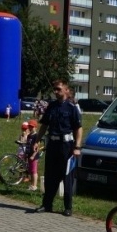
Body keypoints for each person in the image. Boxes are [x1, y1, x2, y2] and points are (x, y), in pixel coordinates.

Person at [34, 80, 82, 216]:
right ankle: (47, 204)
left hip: (66, 146)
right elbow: (44, 125)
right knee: (50, 175)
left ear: (66, 90)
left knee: (66, 176)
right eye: (54, 89)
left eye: (59, 89)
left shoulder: (72, 107)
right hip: (53, 145)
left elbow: (78, 128)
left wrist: (77, 146)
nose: (55, 92)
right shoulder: (51, 106)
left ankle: (67, 207)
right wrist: (37, 141)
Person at [26, 119, 40, 191]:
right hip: (29, 154)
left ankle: (34, 185)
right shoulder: (29, 135)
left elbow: (37, 147)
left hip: (34, 156)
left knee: (34, 171)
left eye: (32, 127)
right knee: (31, 170)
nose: (31, 128)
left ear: (35, 127)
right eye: (30, 126)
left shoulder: (36, 136)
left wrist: (33, 155)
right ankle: (31, 184)